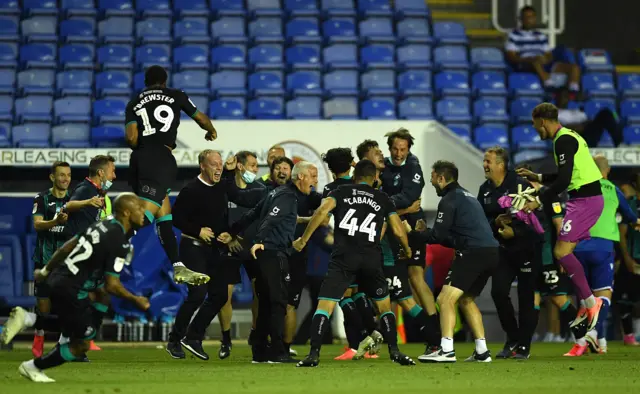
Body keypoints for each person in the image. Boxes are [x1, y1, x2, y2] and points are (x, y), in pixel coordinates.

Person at [1, 193, 150, 383]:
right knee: (82, 344)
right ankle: (33, 366)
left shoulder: (103, 225)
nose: (143, 212)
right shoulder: (119, 240)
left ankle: (30, 319)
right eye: (139, 208)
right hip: (71, 289)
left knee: (95, 303)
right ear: (127, 213)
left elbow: (66, 248)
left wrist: (46, 271)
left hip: (58, 279)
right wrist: (136, 300)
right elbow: (113, 285)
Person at [293, 159, 416, 367]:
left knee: (325, 306)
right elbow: (396, 229)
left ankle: (313, 355)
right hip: (371, 258)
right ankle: (394, 351)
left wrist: (303, 239)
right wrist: (407, 249)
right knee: (385, 307)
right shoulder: (383, 198)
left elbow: (321, 212)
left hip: (343, 258)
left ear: (355, 175)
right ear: (374, 178)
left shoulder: (341, 192)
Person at [165, 150, 264, 360]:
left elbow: (240, 197)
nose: (218, 168)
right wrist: (197, 231)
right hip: (193, 246)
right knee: (198, 294)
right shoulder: (191, 189)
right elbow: (176, 218)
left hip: (215, 249)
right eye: (213, 164)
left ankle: (192, 337)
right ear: (202, 166)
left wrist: (268, 195)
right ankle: (175, 340)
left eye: (220, 164)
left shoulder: (223, 185)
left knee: (220, 296)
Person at [125, 65, 217, 286]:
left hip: (140, 158)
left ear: (146, 82)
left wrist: (145, 145)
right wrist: (210, 130)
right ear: (164, 81)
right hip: (160, 160)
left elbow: (131, 138)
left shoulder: (134, 101)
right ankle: (116, 242)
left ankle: (178, 266)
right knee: (145, 214)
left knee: (164, 212)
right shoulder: (176, 95)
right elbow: (201, 119)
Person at [517, 103, 605, 332]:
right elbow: (563, 175)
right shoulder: (567, 137)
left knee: (560, 252)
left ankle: (589, 303)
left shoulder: (563, 141)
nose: (537, 131)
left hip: (585, 200)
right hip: (584, 199)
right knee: (563, 253)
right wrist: (536, 176)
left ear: (543, 121)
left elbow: (564, 181)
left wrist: (538, 199)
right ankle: (588, 304)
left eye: (536, 125)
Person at [228, 161, 318, 363]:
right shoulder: (287, 196)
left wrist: (231, 231)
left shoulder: (275, 193)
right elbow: (271, 218)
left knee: (267, 303)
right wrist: (260, 240)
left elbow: (253, 214)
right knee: (278, 302)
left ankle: (259, 352)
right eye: (312, 176)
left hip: (265, 254)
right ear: (301, 177)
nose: (315, 181)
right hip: (273, 252)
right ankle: (278, 352)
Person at [414, 161, 499, 363]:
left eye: (433, 177)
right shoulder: (467, 196)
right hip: (491, 252)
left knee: (444, 299)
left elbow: (438, 236)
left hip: (473, 253)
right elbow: (454, 236)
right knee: (466, 299)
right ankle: (482, 351)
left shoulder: (449, 199)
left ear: (441, 178)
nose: (432, 181)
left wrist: (418, 234)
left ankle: (446, 350)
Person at [570, 155, 640, 356]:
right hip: (602, 247)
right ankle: (594, 332)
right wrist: (636, 222)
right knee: (604, 296)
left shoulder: (580, 187)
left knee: (584, 297)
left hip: (578, 247)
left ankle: (595, 342)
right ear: (607, 171)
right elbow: (629, 216)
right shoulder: (612, 189)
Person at [478, 147, 544, 359]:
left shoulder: (520, 186)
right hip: (503, 251)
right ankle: (514, 338)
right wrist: (494, 223)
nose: (485, 165)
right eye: (484, 161)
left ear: (501, 165)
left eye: (488, 161)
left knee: (526, 298)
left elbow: (535, 220)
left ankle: (523, 346)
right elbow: (479, 221)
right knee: (498, 292)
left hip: (527, 249)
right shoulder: (484, 190)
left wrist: (514, 231)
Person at [516, 164, 582, 351]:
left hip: (547, 258)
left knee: (558, 299)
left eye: (525, 180)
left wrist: (563, 255)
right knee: (532, 300)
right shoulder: (520, 200)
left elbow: (559, 225)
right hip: (529, 258)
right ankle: (523, 345)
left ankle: (585, 334)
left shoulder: (548, 196)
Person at [380, 129, 439, 333]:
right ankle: (389, 333)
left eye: (402, 149)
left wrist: (382, 202)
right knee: (389, 281)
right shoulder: (382, 166)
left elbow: (409, 196)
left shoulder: (413, 167)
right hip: (388, 229)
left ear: (408, 149)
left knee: (415, 276)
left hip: (412, 226)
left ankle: (434, 325)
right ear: (389, 148)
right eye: (395, 149)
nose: (398, 153)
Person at [62, 155, 118, 358]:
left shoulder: (99, 193)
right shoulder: (86, 190)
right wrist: (88, 201)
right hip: (79, 256)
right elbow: (68, 206)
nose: (114, 175)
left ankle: (85, 337)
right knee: (83, 301)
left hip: (90, 253)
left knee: (100, 294)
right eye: (112, 170)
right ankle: (77, 342)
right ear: (101, 172)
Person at [217, 150, 265, 359]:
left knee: (259, 293)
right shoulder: (223, 190)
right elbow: (216, 216)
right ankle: (226, 339)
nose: (256, 169)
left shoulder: (259, 189)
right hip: (229, 247)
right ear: (240, 166)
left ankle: (255, 333)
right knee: (224, 295)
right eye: (253, 165)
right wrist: (229, 238)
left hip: (252, 247)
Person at [31, 161, 71, 358]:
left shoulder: (74, 200)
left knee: (69, 303)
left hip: (67, 261)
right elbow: (37, 225)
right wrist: (55, 222)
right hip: (45, 259)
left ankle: (63, 344)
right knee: (44, 308)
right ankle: (39, 333)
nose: (65, 179)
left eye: (68, 175)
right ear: (52, 177)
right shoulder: (42, 198)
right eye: (61, 175)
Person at [506, 6, 580, 93]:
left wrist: (546, 59)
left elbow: (549, 54)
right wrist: (529, 59)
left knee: (574, 67)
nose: (530, 20)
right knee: (535, 61)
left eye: (532, 17)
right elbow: (512, 56)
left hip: (543, 62)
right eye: (527, 17)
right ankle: (548, 83)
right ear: (521, 19)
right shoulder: (513, 35)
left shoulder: (541, 35)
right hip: (526, 64)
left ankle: (573, 90)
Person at [555, 88, 623, 147]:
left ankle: (619, 144)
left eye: (567, 96)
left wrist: (582, 125)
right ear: (557, 97)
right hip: (572, 140)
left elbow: (588, 123)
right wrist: (579, 126)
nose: (565, 99)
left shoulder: (576, 111)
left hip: (587, 137)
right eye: (563, 96)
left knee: (605, 114)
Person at [616, 182, 640, 346]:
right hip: (633, 258)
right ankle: (629, 336)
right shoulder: (630, 204)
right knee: (626, 299)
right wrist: (627, 259)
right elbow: (622, 234)